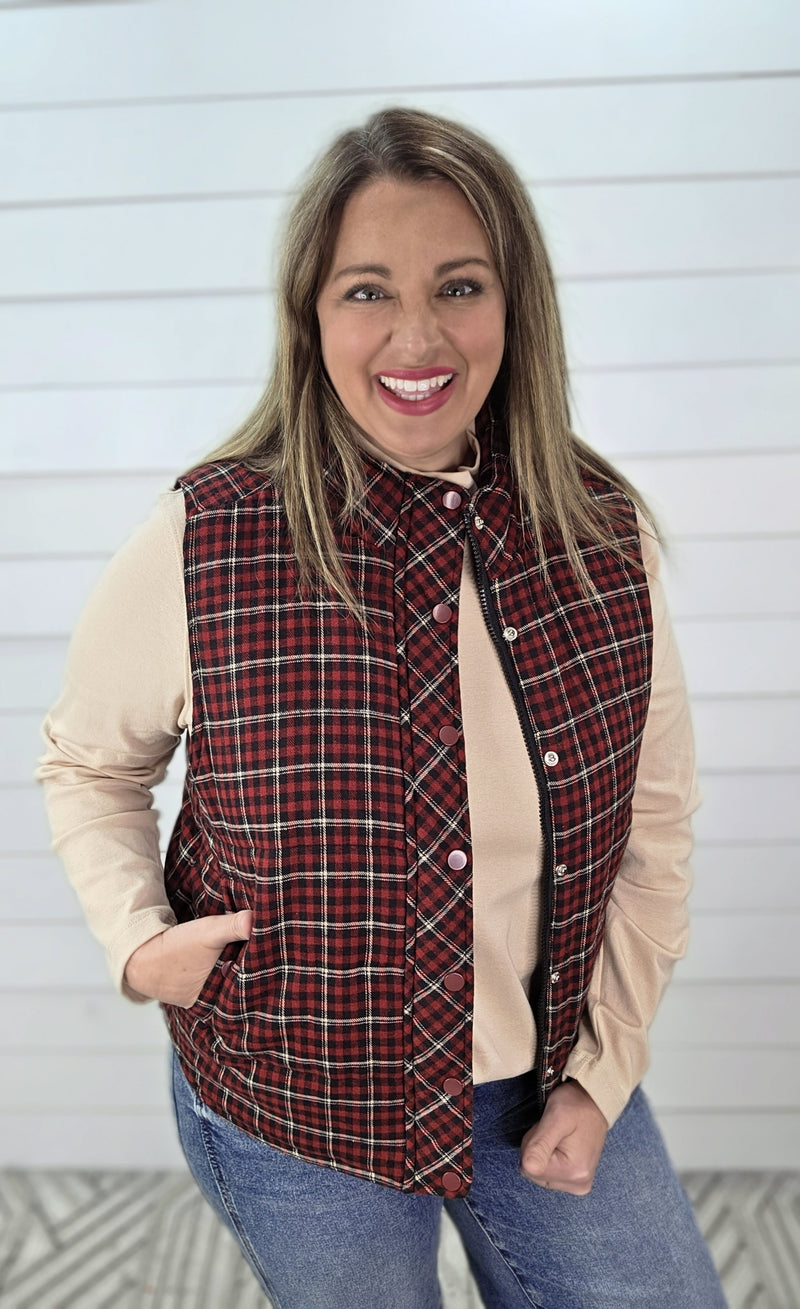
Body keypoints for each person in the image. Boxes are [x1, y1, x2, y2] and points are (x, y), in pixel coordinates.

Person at [38, 108, 726, 1308]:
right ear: (310, 316)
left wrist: (601, 1070)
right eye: (367, 291)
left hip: (539, 1074)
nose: (417, 335)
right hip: (298, 1101)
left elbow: (651, 825)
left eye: (458, 285)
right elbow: (89, 763)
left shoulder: (597, 536)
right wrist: (140, 941)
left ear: (514, 304)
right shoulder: (208, 537)